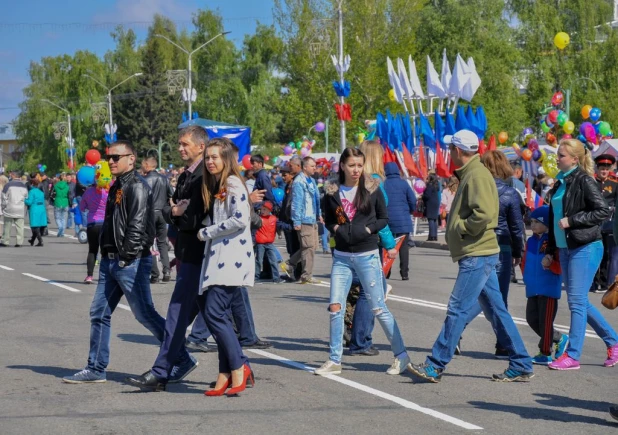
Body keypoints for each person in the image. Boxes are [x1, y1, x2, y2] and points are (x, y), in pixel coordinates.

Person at [127, 137, 255, 396]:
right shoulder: (197, 176)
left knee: (185, 315)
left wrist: (181, 216)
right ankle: (233, 368)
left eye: (185, 144)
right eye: (208, 157)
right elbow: (168, 209)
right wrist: (174, 213)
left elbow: (195, 219)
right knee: (212, 315)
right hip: (199, 255)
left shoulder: (208, 179)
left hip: (206, 256)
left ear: (200, 145)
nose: (180, 148)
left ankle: (163, 371)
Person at [63, 140, 195, 384]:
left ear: (131, 159)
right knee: (98, 313)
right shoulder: (117, 186)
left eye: (116, 157)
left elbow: (137, 224)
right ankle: (96, 368)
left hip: (129, 261)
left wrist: (126, 257)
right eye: (108, 157)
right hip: (111, 260)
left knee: (145, 314)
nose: (110, 161)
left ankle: (182, 358)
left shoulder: (137, 186)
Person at [408, 129, 533, 383]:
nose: (449, 153)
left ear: (457, 150)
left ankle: (435, 364)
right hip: (481, 251)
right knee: (497, 311)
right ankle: (521, 361)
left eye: (451, 149)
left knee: (457, 308)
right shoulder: (473, 172)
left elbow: (484, 214)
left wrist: (460, 229)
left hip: (478, 252)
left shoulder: (476, 174)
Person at [315, 147, 412, 376]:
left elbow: (383, 218)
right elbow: (328, 219)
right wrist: (336, 228)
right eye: (351, 165)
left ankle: (401, 356)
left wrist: (368, 229)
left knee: (378, 307)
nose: (356, 170)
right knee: (335, 307)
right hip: (341, 258)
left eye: (360, 165)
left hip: (367, 255)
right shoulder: (331, 192)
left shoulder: (372, 189)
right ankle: (334, 360)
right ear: (342, 166)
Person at [545, 139, 618, 370]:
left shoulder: (584, 180)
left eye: (562, 155)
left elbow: (602, 210)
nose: (557, 158)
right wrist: (550, 250)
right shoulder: (560, 181)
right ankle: (614, 342)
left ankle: (573, 355)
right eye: (558, 154)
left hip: (585, 246)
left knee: (576, 302)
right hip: (565, 248)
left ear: (575, 159)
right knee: (580, 301)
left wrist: (573, 220)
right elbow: (552, 218)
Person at [461, 150, 525, 358]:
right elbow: (516, 228)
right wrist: (518, 251)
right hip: (502, 248)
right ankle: (503, 344)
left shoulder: (476, 189)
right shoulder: (510, 193)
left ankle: (457, 332)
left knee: (478, 296)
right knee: (498, 299)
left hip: (478, 247)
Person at [522, 205, 569, 365]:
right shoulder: (530, 241)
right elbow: (525, 261)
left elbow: (559, 266)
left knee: (545, 321)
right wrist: (525, 276)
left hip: (548, 288)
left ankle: (545, 352)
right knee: (531, 319)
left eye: (537, 221)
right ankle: (559, 338)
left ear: (547, 223)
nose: (532, 224)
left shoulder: (552, 242)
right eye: (531, 221)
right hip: (533, 287)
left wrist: (550, 264)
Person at [283, 156, 322, 284]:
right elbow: (297, 203)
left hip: (312, 218)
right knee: (308, 247)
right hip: (304, 219)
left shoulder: (311, 180)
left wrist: (319, 214)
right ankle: (306, 275)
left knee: (312, 246)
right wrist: (297, 221)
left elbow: (316, 200)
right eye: (312, 166)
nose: (314, 168)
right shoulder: (299, 181)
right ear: (305, 167)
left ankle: (290, 263)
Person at [142, 157, 173, 284]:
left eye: (144, 164)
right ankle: (167, 271)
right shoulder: (164, 179)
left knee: (149, 244)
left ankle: (154, 273)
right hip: (162, 213)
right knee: (162, 243)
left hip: (149, 214)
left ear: (148, 165)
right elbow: (171, 195)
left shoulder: (143, 180)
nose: (142, 166)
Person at [590, 154, 618, 293]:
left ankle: (604, 282)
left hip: (609, 224)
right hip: (594, 224)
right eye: (602, 168)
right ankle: (593, 283)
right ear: (597, 168)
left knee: (607, 254)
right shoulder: (591, 183)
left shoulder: (614, 184)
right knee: (594, 253)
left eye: (607, 168)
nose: (604, 171)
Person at [383, 162, 416, 280]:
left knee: (388, 246)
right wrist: (411, 210)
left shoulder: (384, 184)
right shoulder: (404, 184)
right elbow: (412, 200)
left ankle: (387, 271)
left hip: (388, 221)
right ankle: (404, 273)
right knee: (404, 248)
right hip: (403, 220)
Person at [79, 181, 109, 284]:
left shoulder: (88, 192)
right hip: (105, 223)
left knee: (92, 250)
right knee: (105, 251)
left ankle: (89, 275)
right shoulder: (108, 191)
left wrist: (90, 207)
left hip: (92, 224)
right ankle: (104, 276)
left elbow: (82, 207)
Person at [255, 200, 281, 283]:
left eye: (264, 210)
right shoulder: (258, 218)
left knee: (273, 260)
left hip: (269, 243)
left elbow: (279, 226)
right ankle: (256, 276)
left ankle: (276, 278)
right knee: (258, 260)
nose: (262, 211)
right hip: (260, 243)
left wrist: (287, 227)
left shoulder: (273, 219)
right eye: (261, 209)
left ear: (269, 210)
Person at [1, 170, 28, 247]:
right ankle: (19, 242)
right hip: (20, 208)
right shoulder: (24, 186)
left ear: (13, 175)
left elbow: (4, 197)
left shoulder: (8, 185)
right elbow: (26, 196)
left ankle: (5, 241)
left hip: (9, 208)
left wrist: (3, 206)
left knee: (7, 226)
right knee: (20, 227)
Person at [24, 177, 47, 247]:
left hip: (34, 208)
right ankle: (32, 240)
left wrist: (24, 200)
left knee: (34, 226)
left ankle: (40, 241)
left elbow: (29, 202)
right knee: (39, 224)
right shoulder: (41, 192)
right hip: (41, 208)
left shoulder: (31, 192)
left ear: (32, 184)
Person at [423, 174, 440, 241]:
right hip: (435, 203)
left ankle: (431, 236)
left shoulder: (429, 186)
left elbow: (427, 196)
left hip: (430, 204)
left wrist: (422, 196)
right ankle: (435, 236)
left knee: (430, 220)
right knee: (434, 220)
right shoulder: (436, 185)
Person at [52, 173, 70, 237]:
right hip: (65, 202)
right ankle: (62, 232)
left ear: (59, 178)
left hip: (57, 202)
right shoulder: (67, 186)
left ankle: (60, 227)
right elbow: (69, 195)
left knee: (57, 217)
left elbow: (52, 194)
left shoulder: (56, 185)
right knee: (63, 218)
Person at [0, 174, 8, 243]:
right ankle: (2, 234)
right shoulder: (6, 188)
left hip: (2, 206)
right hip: (4, 206)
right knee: (5, 221)